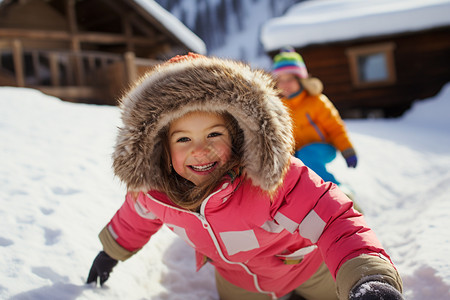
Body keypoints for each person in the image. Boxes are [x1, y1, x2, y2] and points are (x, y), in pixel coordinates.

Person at [86, 53, 403, 300]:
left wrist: (368, 276)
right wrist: (110, 251)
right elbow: (134, 217)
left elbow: (335, 220)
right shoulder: (155, 194)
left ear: (237, 134)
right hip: (239, 283)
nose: (201, 150)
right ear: (159, 149)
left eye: (214, 134)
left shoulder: (271, 179)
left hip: (308, 268)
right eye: (183, 139)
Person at [272, 47, 357, 186]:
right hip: (297, 153)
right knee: (290, 168)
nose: (285, 84)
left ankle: (337, 190)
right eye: (281, 80)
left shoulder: (316, 101)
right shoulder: (278, 106)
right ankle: (308, 198)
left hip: (324, 147)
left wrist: (347, 149)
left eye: (290, 79)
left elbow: (335, 126)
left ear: (300, 80)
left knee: (308, 155)